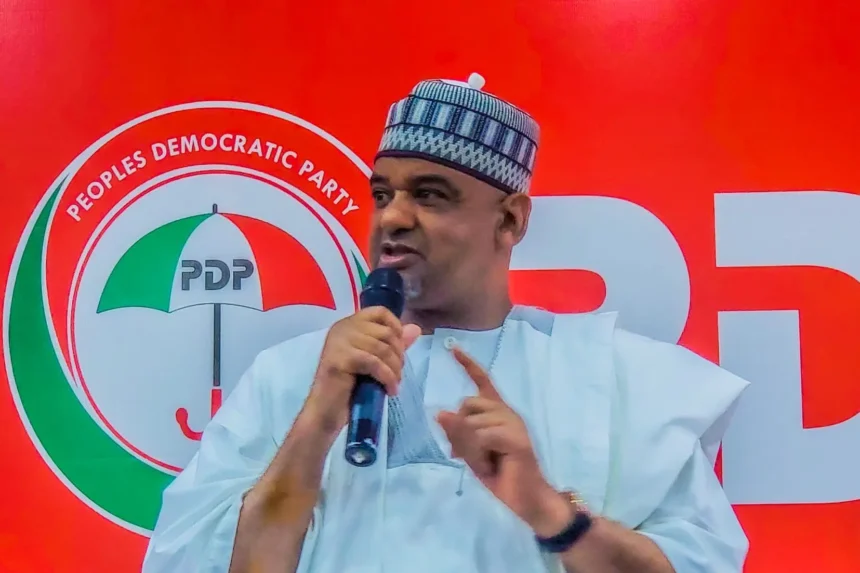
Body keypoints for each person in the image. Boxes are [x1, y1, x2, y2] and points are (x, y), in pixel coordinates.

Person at [142, 73, 750, 573]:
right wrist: (316, 424)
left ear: (510, 221)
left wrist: (548, 511)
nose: (394, 218)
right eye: (383, 195)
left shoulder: (609, 377)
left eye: (430, 195)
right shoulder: (292, 374)